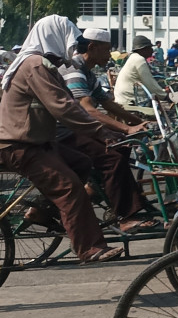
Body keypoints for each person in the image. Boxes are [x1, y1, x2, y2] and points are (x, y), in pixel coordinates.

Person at [0, 17, 142, 262]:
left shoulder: (48, 67)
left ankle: (42, 210)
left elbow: (73, 106)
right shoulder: (35, 65)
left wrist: (111, 132)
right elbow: (64, 108)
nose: (74, 47)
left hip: (39, 142)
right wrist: (102, 133)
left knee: (82, 164)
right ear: (54, 38)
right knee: (70, 189)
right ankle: (90, 248)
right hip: (19, 145)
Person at [56, 29, 157, 233]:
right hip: (62, 132)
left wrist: (140, 122)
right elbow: (89, 110)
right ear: (92, 48)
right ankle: (124, 216)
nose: (109, 55)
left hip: (78, 128)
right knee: (112, 158)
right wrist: (128, 128)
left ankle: (96, 191)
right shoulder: (74, 69)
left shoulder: (89, 73)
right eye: (106, 50)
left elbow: (109, 105)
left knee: (122, 146)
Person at [115, 35, 167, 112]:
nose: (152, 50)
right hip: (130, 100)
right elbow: (149, 83)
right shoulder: (139, 60)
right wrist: (165, 96)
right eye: (150, 48)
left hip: (123, 97)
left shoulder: (134, 57)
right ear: (143, 49)